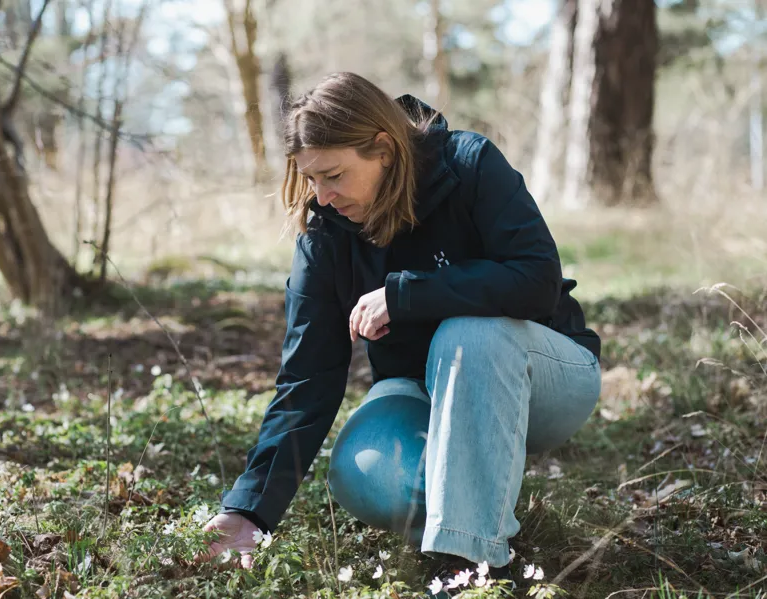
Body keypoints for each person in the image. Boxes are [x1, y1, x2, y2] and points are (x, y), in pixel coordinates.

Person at [195, 72, 602, 593]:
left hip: (545, 374)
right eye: (312, 178)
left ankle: (473, 567)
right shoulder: (324, 232)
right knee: (363, 473)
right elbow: (307, 378)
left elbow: (536, 280)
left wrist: (409, 294)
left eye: (334, 175)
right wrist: (248, 510)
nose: (321, 196)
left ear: (383, 149)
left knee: (469, 336)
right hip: (421, 392)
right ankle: (480, 491)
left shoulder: (469, 164)